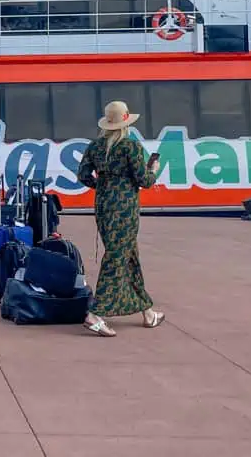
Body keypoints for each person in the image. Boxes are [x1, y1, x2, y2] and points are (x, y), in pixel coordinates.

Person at [76, 100, 165, 337]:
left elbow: (83, 175)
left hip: (104, 206)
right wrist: (153, 170)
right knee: (117, 257)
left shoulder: (95, 147)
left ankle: (147, 312)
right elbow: (143, 180)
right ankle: (96, 314)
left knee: (128, 255)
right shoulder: (130, 147)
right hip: (124, 207)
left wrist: (102, 185)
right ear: (126, 122)